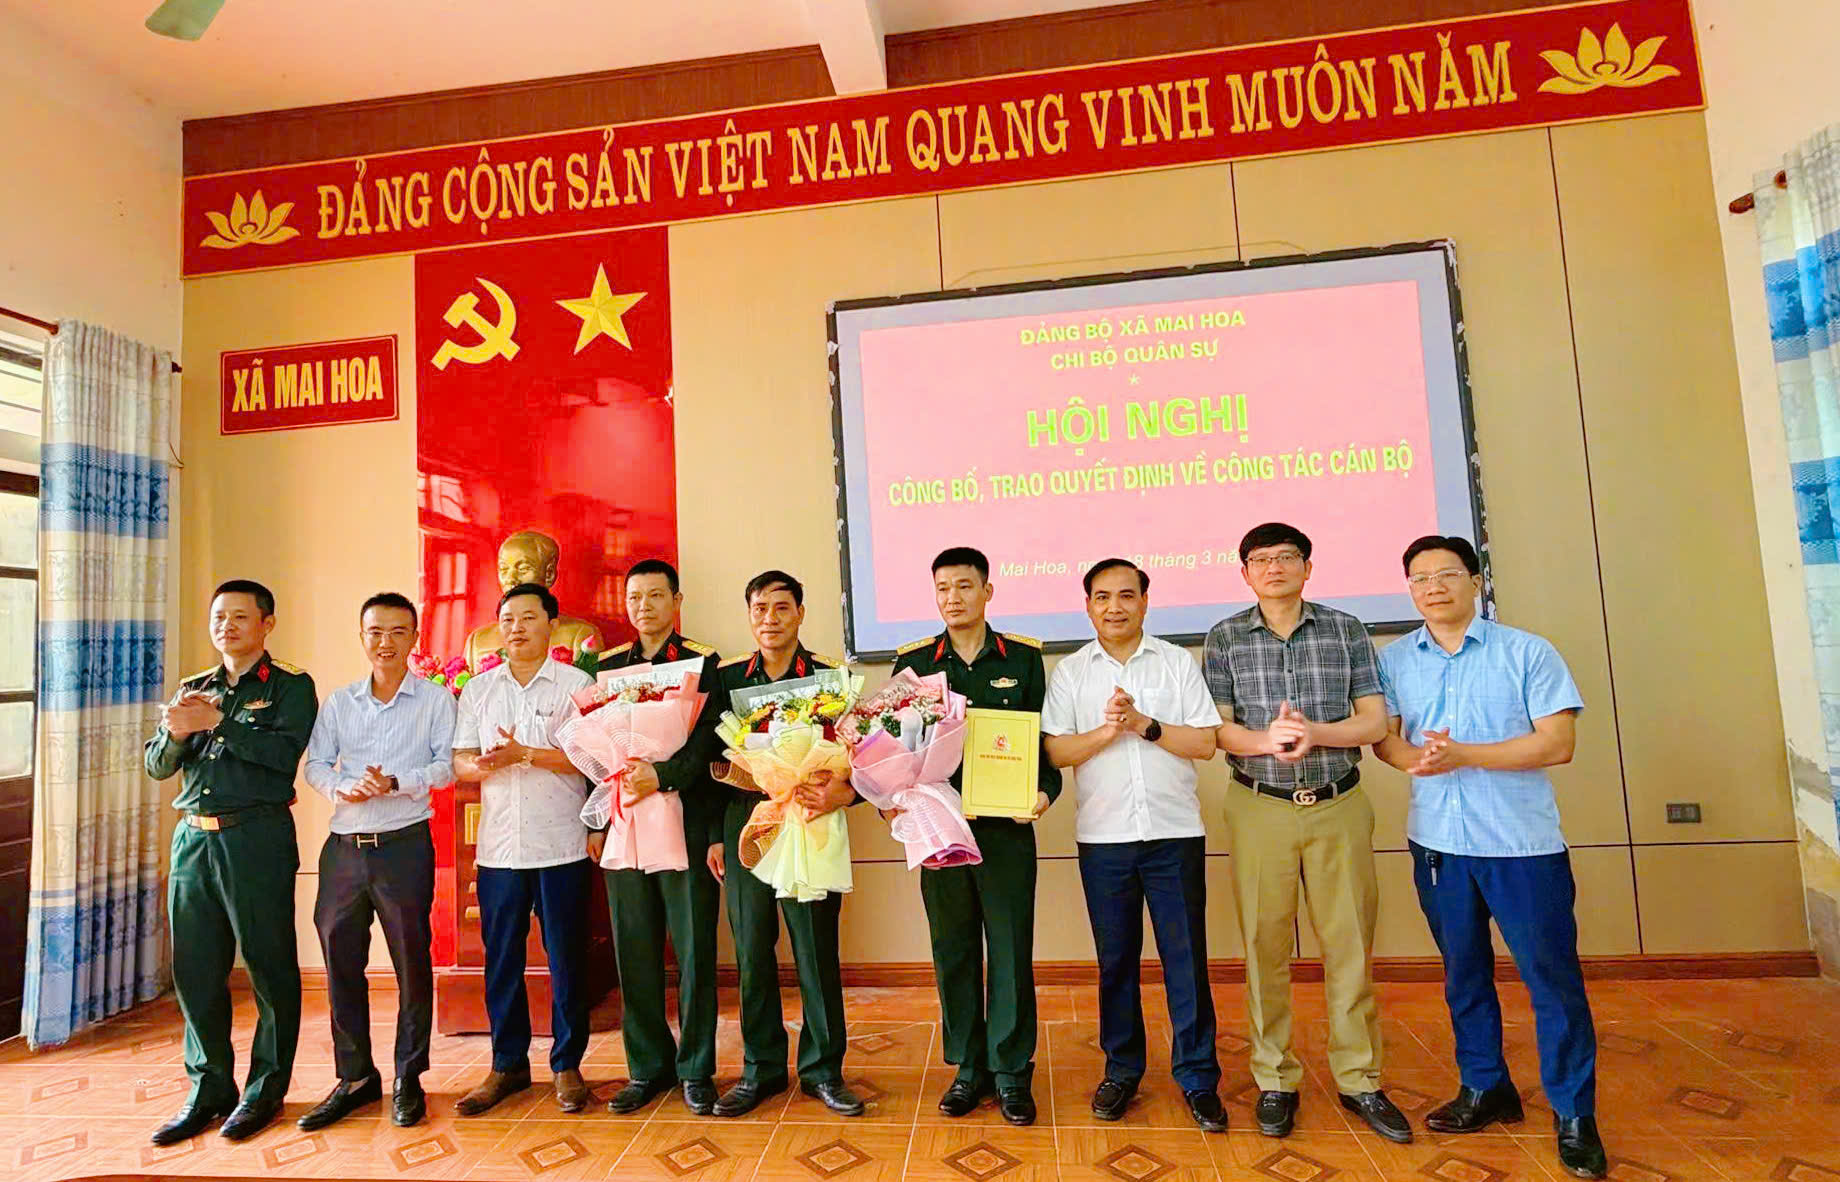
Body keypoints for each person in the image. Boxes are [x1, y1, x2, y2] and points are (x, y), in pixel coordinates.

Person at [1373, 535, 1606, 1180]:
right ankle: (1485, 1086)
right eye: (1420, 578)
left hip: (1520, 846)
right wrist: (1417, 760)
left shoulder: (1527, 652)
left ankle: (1575, 1113)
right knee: (1464, 974)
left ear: (1475, 581)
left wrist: (1464, 756)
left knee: (1551, 979)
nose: (1434, 587)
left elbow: (1557, 743)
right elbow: (1386, 742)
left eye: (1447, 574)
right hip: (1438, 846)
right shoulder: (1396, 660)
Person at [1204, 522, 1409, 1144]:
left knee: (1349, 944)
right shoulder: (1224, 636)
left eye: (1286, 557)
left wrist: (1314, 733)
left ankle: (1360, 1077)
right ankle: (1275, 1078)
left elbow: (1373, 721)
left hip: (1337, 803)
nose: (1274, 567)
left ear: (1307, 567)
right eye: (1261, 560)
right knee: (1263, 944)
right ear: (1245, 573)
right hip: (1258, 805)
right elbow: (1219, 729)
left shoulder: (1346, 629)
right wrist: (1267, 741)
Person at [1042, 558, 1228, 1133]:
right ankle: (1122, 1069)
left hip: (1175, 835)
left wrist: (1144, 724)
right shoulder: (1071, 673)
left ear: (1145, 601)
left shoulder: (1176, 662)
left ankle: (1198, 1077)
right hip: (1105, 840)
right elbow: (1055, 752)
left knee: (1186, 960)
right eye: (1102, 597)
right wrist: (1108, 731)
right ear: (1088, 606)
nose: (1115, 607)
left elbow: (1205, 744)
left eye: (1126, 595)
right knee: (1116, 961)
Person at [143, 579, 317, 1145]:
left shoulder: (290, 685)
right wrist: (176, 732)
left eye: (240, 616)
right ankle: (209, 1087)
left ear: (267, 623)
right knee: (195, 970)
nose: (227, 626)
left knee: (269, 966)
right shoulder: (194, 688)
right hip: (193, 842)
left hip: (256, 838)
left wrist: (219, 724)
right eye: (219, 616)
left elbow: (282, 756)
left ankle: (265, 1090)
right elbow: (157, 765)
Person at [891, 547, 1060, 1126]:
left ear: (988, 591)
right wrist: (895, 802)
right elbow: (893, 749)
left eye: (964, 586)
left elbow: (1043, 747)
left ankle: (1011, 1070)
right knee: (953, 946)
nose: (953, 598)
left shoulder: (1024, 659)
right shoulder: (914, 664)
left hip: (1006, 829)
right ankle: (968, 1067)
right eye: (943, 588)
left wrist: (1044, 794)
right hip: (938, 829)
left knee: (1010, 948)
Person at [297, 592, 456, 1131]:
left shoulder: (435, 700)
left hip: (404, 847)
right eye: (375, 632)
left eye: (397, 632)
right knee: (341, 964)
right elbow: (316, 765)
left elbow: (445, 768)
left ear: (415, 638)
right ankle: (355, 1077)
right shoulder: (340, 702)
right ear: (362, 637)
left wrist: (394, 783)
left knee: (411, 962)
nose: (385, 642)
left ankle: (409, 1076)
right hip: (344, 850)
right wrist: (343, 787)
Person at [707, 570, 862, 1118]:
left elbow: (864, 760)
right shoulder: (727, 679)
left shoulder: (830, 678)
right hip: (749, 825)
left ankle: (824, 1070)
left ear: (800, 613)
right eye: (759, 609)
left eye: (781, 608)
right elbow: (712, 765)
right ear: (749, 615)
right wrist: (716, 837)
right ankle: (762, 1068)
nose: (769, 619)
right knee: (752, 950)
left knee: (815, 950)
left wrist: (845, 792)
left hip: (811, 820)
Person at [451, 582, 600, 1117]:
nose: (516, 628)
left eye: (529, 617)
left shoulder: (577, 685)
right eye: (508, 618)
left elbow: (590, 760)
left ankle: (567, 1065)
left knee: (566, 959)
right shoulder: (478, 690)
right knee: (502, 961)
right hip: (499, 850)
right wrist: (481, 764)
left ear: (551, 625)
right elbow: (460, 760)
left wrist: (526, 754)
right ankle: (507, 1064)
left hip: (560, 844)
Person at [597, 559, 725, 1117]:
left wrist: (664, 775)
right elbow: (597, 747)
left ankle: (696, 1068)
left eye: (655, 595)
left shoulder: (703, 664)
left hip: (686, 825)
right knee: (635, 948)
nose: (643, 606)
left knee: (695, 950)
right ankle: (647, 1067)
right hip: (627, 823)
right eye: (634, 597)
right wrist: (598, 818)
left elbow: (712, 745)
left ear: (677, 601)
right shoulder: (608, 669)